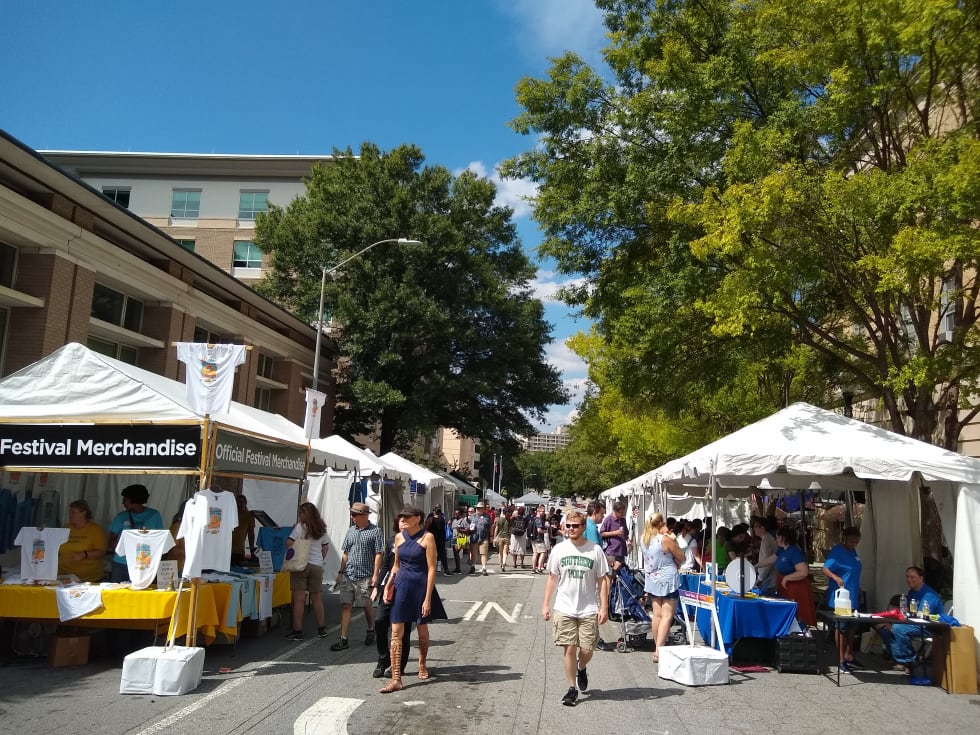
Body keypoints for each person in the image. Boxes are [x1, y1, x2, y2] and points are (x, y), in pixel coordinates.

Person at [540, 509, 610, 707]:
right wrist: (546, 603)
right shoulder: (559, 550)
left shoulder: (595, 550)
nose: (571, 529)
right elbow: (552, 577)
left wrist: (604, 607)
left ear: (583, 527)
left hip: (588, 607)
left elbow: (602, 580)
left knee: (587, 649)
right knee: (569, 647)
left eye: (575, 526)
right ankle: (572, 688)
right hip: (564, 606)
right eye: (568, 526)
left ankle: (581, 666)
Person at [380, 505, 448, 693]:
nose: (402, 519)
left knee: (422, 630)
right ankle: (396, 678)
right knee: (395, 632)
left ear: (417, 518)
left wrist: (427, 598)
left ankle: (422, 664)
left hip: (420, 587)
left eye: (407, 517)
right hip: (401, 586)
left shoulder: (428, 537)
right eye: (401, 516)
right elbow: (396, 565)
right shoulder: (398, 537)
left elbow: (432, 568)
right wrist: (388, 584)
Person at [330, 502, 384, 651]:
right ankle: (343, 638)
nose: (352, 517)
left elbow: (379, 554)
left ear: (364, 516)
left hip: (365, 575)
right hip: (349, 574)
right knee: (346, 605)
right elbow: (345, 553)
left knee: (366, 605)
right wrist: (341, 572)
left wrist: (375, 575)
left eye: (354, 515)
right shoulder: (351, 531)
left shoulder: (375, 531)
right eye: (352, 514)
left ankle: (370, 628)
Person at [876, 566, 945, 673]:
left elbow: (921, 617)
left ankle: (911, 661)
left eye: (912, 577)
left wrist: (894, 624)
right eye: (907, 576)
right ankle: (900, 660)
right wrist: (890, 621)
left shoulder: (929, 595)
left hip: (930, 627)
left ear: (921, 578)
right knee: (882, 627)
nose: (909, 579)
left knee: (898, 628)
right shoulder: (912, 591)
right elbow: (906, 613)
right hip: (915, 623)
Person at [372, 517, 413, 678]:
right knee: (380, 622)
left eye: (407, 522)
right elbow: (386, 565)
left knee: (404, 629)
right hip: (389, 586)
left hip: (408, 587)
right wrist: (377, 587)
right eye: (401, 522)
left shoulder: (420, 541)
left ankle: (399, 666)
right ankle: (383, 659)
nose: (403, 525)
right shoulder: (391, 541)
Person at [641, 513, 685, 663]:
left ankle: (657, 646)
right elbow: (682, 557)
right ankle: (659, 650)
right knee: (667, 615)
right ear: (661, 524)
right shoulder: (665, 539)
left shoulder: (644, 539)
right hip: (667, 579)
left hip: (652, 579)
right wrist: (672, 538)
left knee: (657, 615)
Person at [284, 502, 330, 641]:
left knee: (299, 600)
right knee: (316, 598)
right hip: (316, 566)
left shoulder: (299, 527)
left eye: (300, 513)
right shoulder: (322, 529)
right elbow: (325, 547)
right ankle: (321, 629)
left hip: (301, 565)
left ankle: (297, 631)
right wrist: (319, 559)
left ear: (304, 514)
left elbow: (289, 543)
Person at [822, 526, 863, 673]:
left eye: (856, 542)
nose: (854, 544)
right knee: (841, 628)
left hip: (853, 596)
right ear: (844, 538)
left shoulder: (853, 552)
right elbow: (825, 568)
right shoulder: (837, 551)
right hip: (841, 598)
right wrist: (835, 577)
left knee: (852, 628)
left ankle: (849, 655)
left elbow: (853, 572)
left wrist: (858, 590)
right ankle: (840, 660)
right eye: (851, 541)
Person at [106, 484, 164, 583]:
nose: (123, 502)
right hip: (121, 562)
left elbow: (160, 539)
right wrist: (119, 552)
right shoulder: (121, 516)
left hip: (144, 563)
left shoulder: (154, 515)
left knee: (141, 593)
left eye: (125, 499)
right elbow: (112, 538)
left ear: (134, 500)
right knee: (117, 592)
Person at [773, 527, 816, 626]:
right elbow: (771, 559)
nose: (776, 539)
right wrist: (756, 566)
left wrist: (786, 578)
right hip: (786, 587)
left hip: (796, 588)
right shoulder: (782, 550)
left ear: (782, 538)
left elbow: (803, 572)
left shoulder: (794, 551)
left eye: (777, 537)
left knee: (798, 615)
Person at [58, 499, 106, 582]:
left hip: (89, 579)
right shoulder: (66, 527)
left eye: (73, 512)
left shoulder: (95, 529)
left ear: (83, 513)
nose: (70, 515)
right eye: (70, 512)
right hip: (65, 577)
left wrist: (84, 555)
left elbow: (101, 552)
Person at [599, 501, 630, 570]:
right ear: (615, 511)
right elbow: (602, 533)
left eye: (623, 512)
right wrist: (615, 533)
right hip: (612, 551)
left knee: (622, 574)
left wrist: (628, 540)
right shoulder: (608, 520)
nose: (623, 514)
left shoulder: (623, 520)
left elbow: (626, 533)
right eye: (621, 512)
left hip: (621, 551)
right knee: (610, 574)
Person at [424, 505, 450, 576]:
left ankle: (427, 570)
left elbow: (425, 527)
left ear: (434, 512)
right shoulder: (443, 518)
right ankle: (446, 570)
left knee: (429, 554)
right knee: (442, 555)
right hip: (441, 539)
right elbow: (447, 523)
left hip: (432, 539)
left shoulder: (430, 519)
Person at [753, 517, 778, 591]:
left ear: (762, 527)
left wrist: (759, 580)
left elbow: (768, 563)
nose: (754, 529)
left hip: (769, 580)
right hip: (769, 578)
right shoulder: (767, 538)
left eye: (755, 527)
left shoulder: (766, 541)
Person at [230, 493, 256, 566]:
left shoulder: (249, 515)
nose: (239, 504)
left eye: (241, 502)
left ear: (245, 503)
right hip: (228, 549)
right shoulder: (231, 514)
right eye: (237, 502)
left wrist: (252, 550)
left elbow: (251, 534)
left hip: (239, 551)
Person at [467, 502, 492, 575]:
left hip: (484, 537)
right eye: (477, 508)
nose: (478, 509)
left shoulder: (487, 517)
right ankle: (473, 566)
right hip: (474, 537)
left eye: (480, 508)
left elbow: (491, 526)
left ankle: (484, 568)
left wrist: (491, 536)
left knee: (483, 553)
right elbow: (468, 526)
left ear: (483, 509)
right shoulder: (472, 516)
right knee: (473, 553)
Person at [530, 505, 551, 573]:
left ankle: (533, 567)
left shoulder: (533, 518)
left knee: (535, 553)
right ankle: (539, 567)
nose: (544, 512)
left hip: (533, 538)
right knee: (543, 552)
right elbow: (539, 530)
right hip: (539, 538)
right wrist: (545, 531)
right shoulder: (539, 519)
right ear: (538, 511)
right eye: (543, 511)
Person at [492, 508, 510, 572]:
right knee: (505, 552)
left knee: (500, 552)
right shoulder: (509, 520)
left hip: (500, 537)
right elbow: (510, 529)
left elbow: (496, 529)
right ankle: (504, 564)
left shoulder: (499, 520)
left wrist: (494, 538)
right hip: (507, 537)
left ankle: (501, 563)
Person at [451, 509, 468, 574]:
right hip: (454, 538)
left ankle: (458, 569)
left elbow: (467, 529)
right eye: (455, 513)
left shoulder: (463, 521)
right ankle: (457, 568)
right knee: (455, 554)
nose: (455, 515)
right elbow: (452, 529)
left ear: (460, 514)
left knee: (456, 552)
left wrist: (460, 529)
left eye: (457, 513)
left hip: (460, 538)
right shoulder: (454, 520)